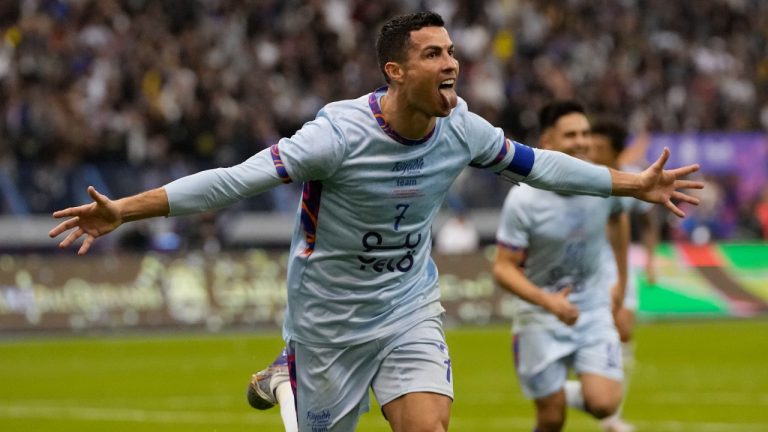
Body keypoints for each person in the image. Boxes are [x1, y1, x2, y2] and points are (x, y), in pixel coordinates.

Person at [49, 11, 702, 431]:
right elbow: (231, 182)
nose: (450, 63)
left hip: (409, 306)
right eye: (431, 55)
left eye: (450, 52)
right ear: (395, 71)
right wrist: (122, 211)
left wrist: (634, 184)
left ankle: (294, 373)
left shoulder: (462, 126)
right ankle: (290, 369)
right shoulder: (335, 136)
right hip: (328, 318)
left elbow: (543, 166)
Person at [493, 100, 633, 432]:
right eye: (571, 134)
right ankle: (552, 395)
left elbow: (619, 219)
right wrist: (549, 302)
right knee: (552, 418)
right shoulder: (524, 199)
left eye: (585, 133)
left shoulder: (604, 183)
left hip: (592, 309)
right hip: (540, 315)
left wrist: (622, 281)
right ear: (548, 142)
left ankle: (556, 391)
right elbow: (503, 268)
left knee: (605, 403)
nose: (582, 141)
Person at [582, 119, 661, 432]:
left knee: (624, 329)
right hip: (583, 267)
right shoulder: (582, 176)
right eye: (591, 147)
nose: (593, 152)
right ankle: (589, 387)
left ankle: (612, 417)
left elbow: (649, 220)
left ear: (616, 152)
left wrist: (652, 259)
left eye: (600, 148)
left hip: (618, 265)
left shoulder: (632, 180)